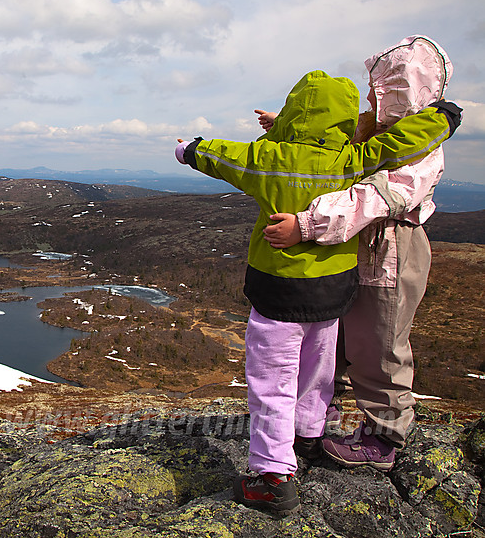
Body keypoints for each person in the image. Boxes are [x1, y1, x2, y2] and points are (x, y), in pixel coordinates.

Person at [175, 69, 460, 513]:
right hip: (333, 292)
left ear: (293, 112)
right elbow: (401, 142)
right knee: (318, 366)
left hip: (278, 294)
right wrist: (442, 118)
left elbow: (221, 156)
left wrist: (189, 148)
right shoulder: (353, 159)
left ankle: (272, 475)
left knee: (272, 381)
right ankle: (309, 437)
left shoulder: (267, 158)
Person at [261, 36, 455, 471]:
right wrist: (286, 129)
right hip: (353, 248)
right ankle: (319, 414)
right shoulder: (375, 132)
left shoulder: (419, 149)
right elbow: (332, 156)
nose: (370, 98)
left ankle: (383, 435)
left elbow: (372, 196)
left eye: (379, 91)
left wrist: (308, 224)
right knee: (338, 338)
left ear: (403, 91)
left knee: (379, 343)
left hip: (391, 249)